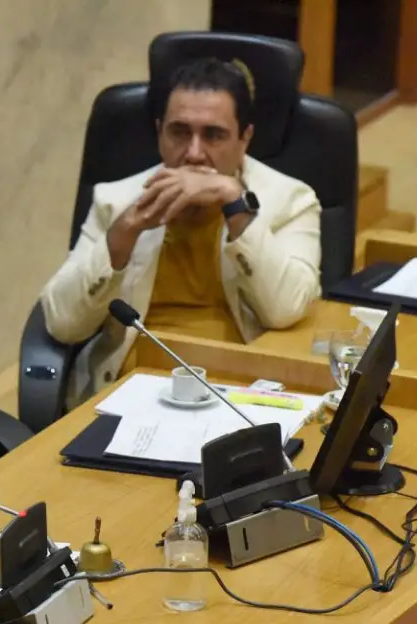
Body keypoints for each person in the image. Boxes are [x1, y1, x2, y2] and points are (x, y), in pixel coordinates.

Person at [40, 57, 322, 405]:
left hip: (241, 392)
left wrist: (233, 203)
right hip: (131, 391)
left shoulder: (290, 200)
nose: (193, 153)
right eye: (179, 132)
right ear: (160, 132)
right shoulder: (115, 201)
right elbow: (62, 324)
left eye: (214, 135)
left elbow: (285, 309)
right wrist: (125, 233)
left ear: (244, 138)